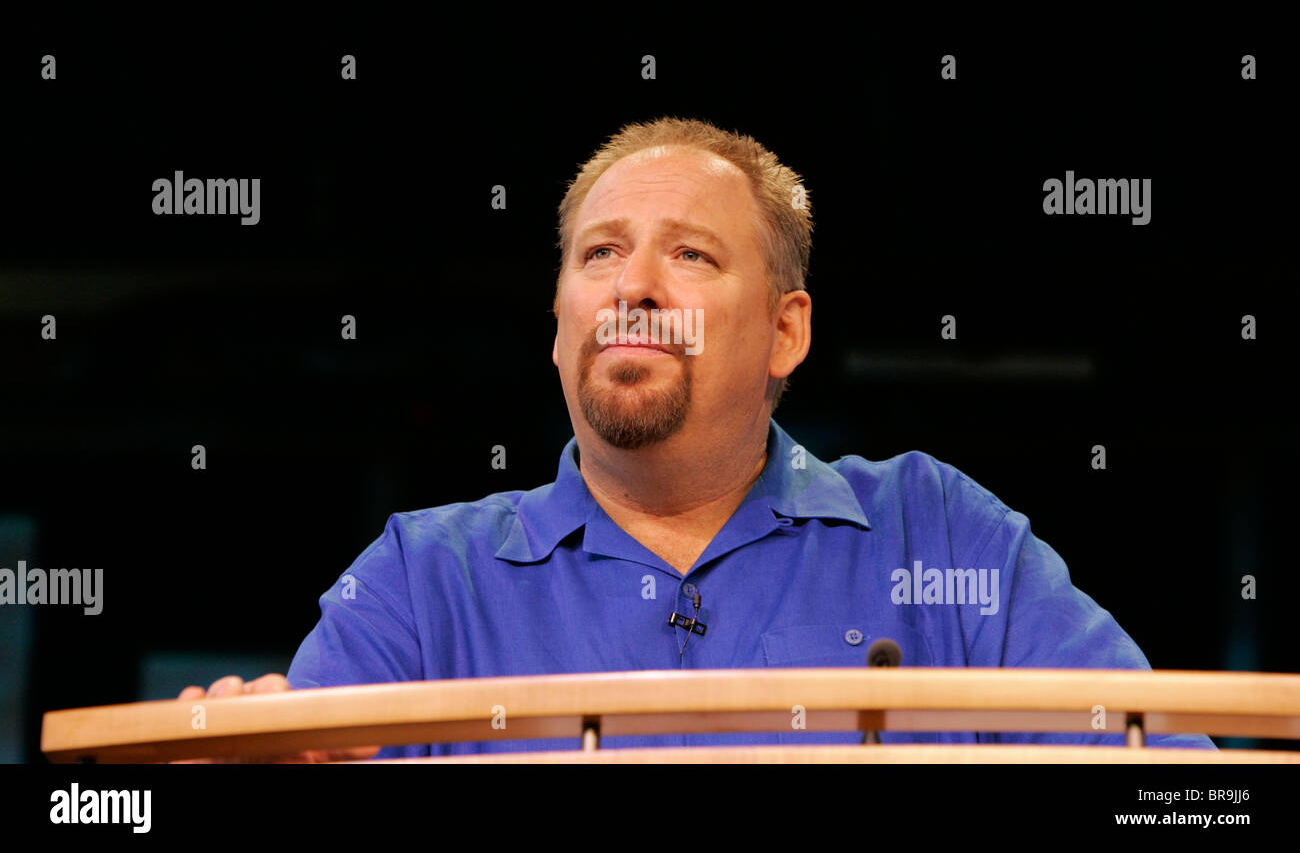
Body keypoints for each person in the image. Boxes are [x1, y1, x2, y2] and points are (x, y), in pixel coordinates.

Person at [178, 117, 1216, 758]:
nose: (633, 286)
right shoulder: (419, 578)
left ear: (785, 329)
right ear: (558, 328)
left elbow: (1182, 789)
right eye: (599, 254)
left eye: (687, 252)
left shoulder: (943, 535)